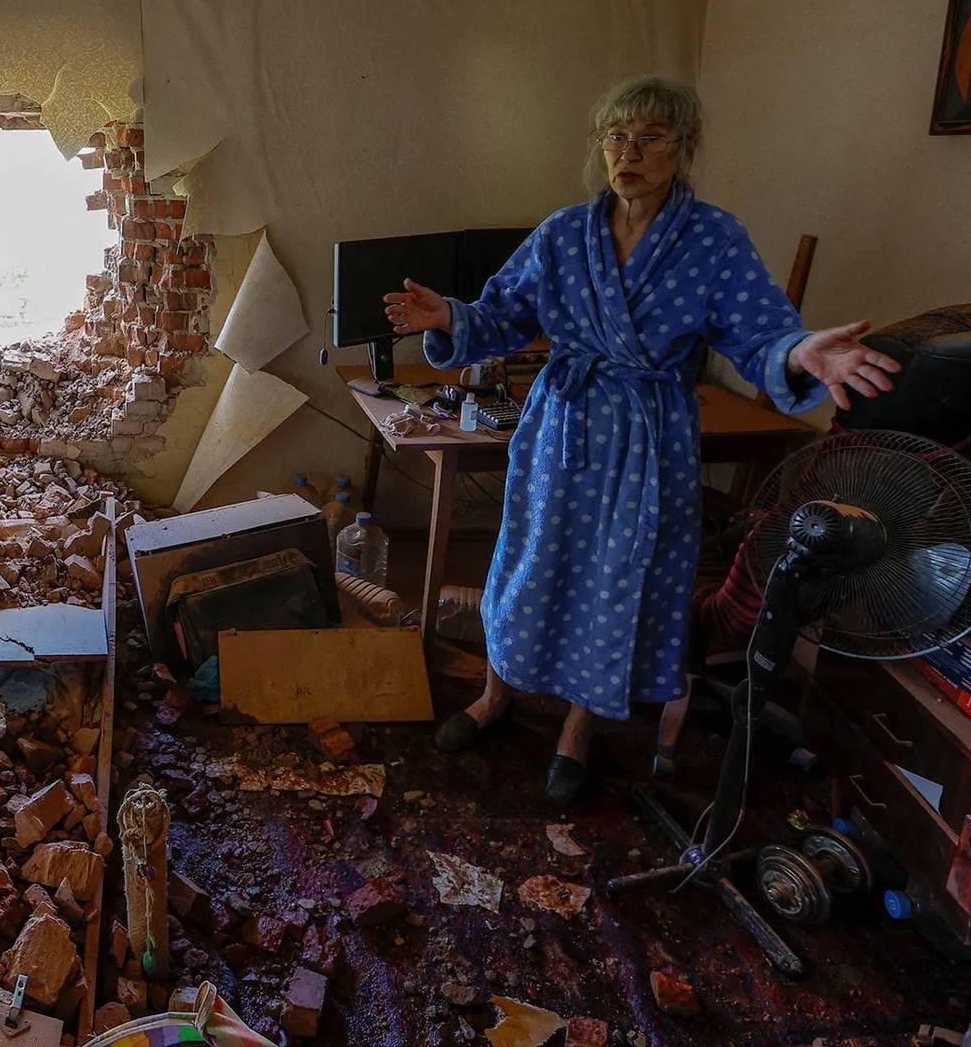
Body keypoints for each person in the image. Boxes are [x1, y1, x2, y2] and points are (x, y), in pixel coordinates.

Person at [383, 77, 900, 805]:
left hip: (650, 437)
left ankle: (578, 731)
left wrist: (803, 350)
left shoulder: (715, 240)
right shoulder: (564, 232)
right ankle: (496, 696)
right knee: (527, 563)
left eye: (651, 137)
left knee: (614, 582)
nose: (629, 151)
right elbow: (500, 316)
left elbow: (759, 332)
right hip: (562, 423)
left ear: (682, 149)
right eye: (617, 136)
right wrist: (446, 317)